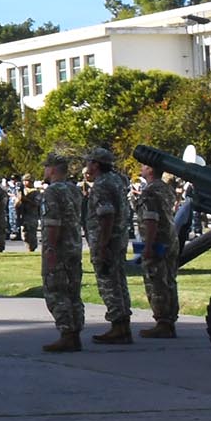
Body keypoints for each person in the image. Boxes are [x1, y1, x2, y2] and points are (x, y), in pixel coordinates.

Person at [84, 146, 133, 345]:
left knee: (108, 282)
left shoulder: (102, 184)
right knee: (119, 280)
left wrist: (103, 244)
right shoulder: (117, 181)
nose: (86, 165)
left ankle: (117, 325)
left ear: (96, 164)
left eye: (89, 162)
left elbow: (106, 214)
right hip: (119, 238)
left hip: (108, 240)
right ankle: (123, 323)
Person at [39, 153, 85, 352]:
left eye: (46, 167)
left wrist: (50, 248)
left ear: (52, 169)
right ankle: (75, 332)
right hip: (74, 245)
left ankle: (67, 332)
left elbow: (52, 223)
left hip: (59, 247)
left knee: (56, 291)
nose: (44, 171)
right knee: (73, 291)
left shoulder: (52, 192)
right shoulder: (74, 190)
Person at [136, 161, 179, 338]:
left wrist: (148, 246)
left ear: (151, 170)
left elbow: (151, 219)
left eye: (144, 166)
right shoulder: (166, 189)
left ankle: (162, 322)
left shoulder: (150, 192)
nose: (141, 168)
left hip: (157, 241)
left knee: (156, 282)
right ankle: (169, 320)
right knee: (169, 279)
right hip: (170, 239)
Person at [16, 176, 42, 253]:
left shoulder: (36, 192)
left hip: (32, 215)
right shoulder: (21, 191)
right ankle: (28, 247)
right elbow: (17, 203)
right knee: (24, 233)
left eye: (27, 181)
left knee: (32, 233)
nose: (25, 182)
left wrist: (26, 199)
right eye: (24, 181)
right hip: (23, 214)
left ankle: (32, 248)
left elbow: (37, 203)